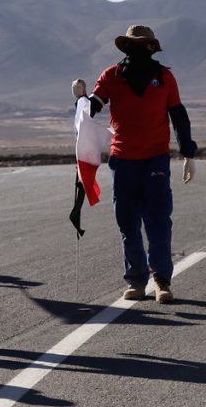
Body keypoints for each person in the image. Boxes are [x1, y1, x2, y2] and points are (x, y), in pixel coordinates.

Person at [80, 24, 196, 303]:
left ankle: (161, 281)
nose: (139, 50)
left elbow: (178, 116)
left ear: (151, 48)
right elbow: (90, 109)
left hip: (155, 158)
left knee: (158, 221)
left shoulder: (165, 77)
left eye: (144, 45)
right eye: (134, 45)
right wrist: (81, 97)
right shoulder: (112, 76)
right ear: (127, 48)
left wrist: (188, 153)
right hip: (123, 161)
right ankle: (136, 280)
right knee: (127, 222)